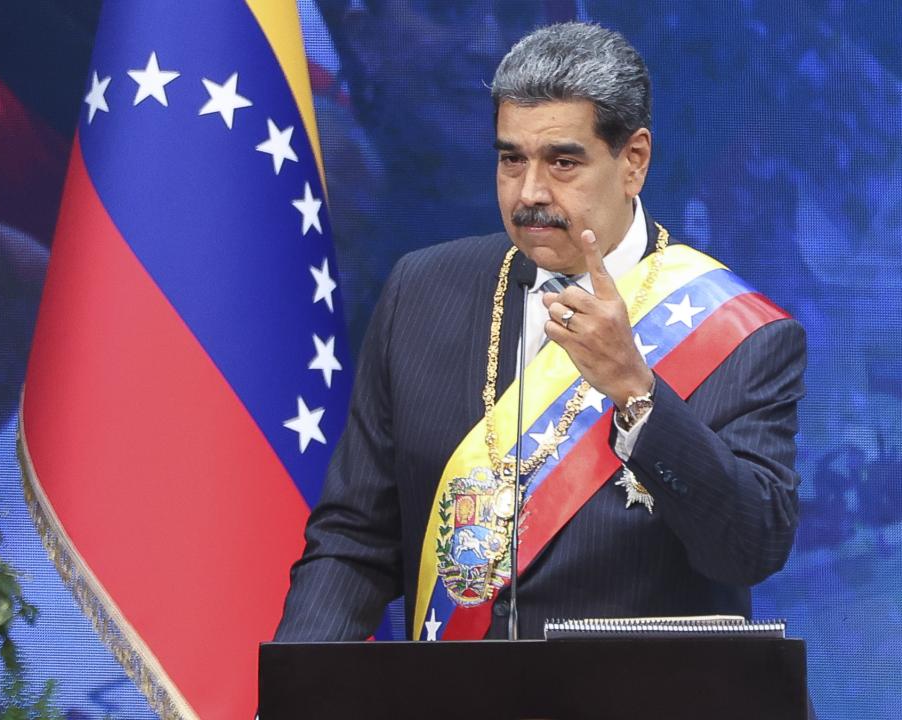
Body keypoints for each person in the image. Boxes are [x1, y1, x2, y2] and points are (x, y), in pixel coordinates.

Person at [276, 22, 806, 642]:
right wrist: (296, 683)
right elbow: (354, 539)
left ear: (633, 161)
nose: (529, 193)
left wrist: (638, 395)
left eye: (562, 162)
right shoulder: (419, 293)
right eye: (512, 160)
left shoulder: (741, 334)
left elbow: (749, 548)